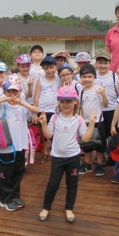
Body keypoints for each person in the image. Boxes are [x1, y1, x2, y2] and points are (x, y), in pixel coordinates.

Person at [38, 86, 97, 223]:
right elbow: (48, 136)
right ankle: (46, 207)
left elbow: (86, 138)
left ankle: (69, 208)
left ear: (75, 101)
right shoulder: (54, 118)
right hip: (57, 157)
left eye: (69, 101)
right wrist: (44, 124)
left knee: (72, 183)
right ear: (58, 102)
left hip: (73, 157)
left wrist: (92, 123)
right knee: (53, 184)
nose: (65, 104)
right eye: (62, 101)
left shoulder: (79, 120)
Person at [0, 74, 39, 211]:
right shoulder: (2, 105)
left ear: (20, 91)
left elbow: (36, 111)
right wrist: (5, 98)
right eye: (9, 91)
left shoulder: (22, 106)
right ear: (4, 91)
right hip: (6, 146)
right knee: (6, 172)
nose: (12, 94)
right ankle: (5, 199)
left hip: (20, 145)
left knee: (18, 172)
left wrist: (21, 102)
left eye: (15, 91)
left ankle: (15, 196)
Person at [78, 64, 108, 176]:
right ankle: (87, 164)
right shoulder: (81, 91)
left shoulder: (98, 89)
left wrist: (104, 95)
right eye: (84, 77)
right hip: (86, 122)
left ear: (94, 77)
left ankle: (99, 164)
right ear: (81, 78)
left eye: (90, 76)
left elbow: (105, 105)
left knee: (100, 146)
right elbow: (80, 107)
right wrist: (80, 119)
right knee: (87, 145)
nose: (87, 79)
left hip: (98, 122)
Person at [32, 56, 61, 163]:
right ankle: (45, 153)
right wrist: (35, 113)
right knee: (44, 133)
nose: (49, 70)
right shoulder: (40, 80)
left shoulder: (59, 79)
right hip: (42, 110)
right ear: (43, 69)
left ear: (56, 67)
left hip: (55, 110)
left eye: (51, 67)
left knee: (55, 132)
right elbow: (36, 96)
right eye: (46, 68)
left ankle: (55, 152)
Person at [94, 52, 119, 142]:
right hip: (98, 110)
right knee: (101, 133)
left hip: (112, 109)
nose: (103, 66)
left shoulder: (114, 76)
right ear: (96, 63)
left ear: (110, 64)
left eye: (105, 63)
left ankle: (112, 151)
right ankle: (103, 151)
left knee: (112, 132)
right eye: (100, 63)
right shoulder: (93, 76)